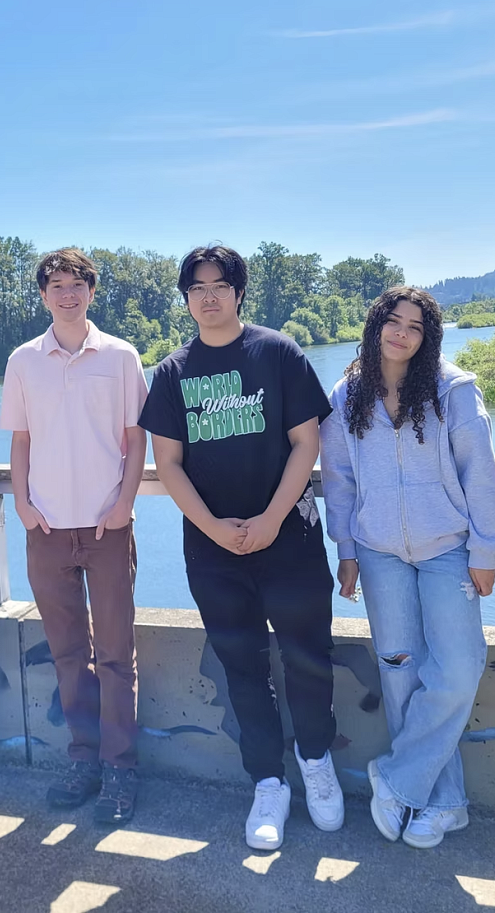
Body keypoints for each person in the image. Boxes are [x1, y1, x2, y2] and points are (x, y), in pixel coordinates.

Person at [138, 245, 343, 851]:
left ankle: (316, 764)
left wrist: (272, 518)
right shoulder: (173, 372)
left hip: (290, 537)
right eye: (196, 287)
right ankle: (269, 782)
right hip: (212, 549)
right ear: (185, 298)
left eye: (220, 284)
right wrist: (212, 527)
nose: (208, 296)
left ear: (238, 292)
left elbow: (307, 444)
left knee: (309, 655)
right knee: (243, 667)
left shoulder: (276, 351)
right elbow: (168, 464)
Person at [321, 287, 495, 849]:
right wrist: (347, 550)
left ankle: (397, 778)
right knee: (400, 672)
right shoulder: (347, 393)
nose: (402, 333)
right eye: (393, 322)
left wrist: (485, 549)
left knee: (457, 667)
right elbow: (338, 478)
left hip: (447, 547)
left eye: (415, 326)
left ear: (429, 337)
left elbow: (481, 473)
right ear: (376, 325)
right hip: (378, 552)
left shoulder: (453, 390)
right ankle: (439, 801)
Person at [2, 248, 148, 823]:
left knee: (115, 655)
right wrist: (22, 503)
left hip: (107, 526)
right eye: (56, 286)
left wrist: (125, 503)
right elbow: (19, 441)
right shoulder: (22, 361)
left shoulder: (120, 357)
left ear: (92, 291)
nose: (67, 294)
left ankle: (120, 768)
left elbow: (136, 439)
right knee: (68, 654)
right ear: (43, 295)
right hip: (47, 529)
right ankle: (83, 758)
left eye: (77, 285)